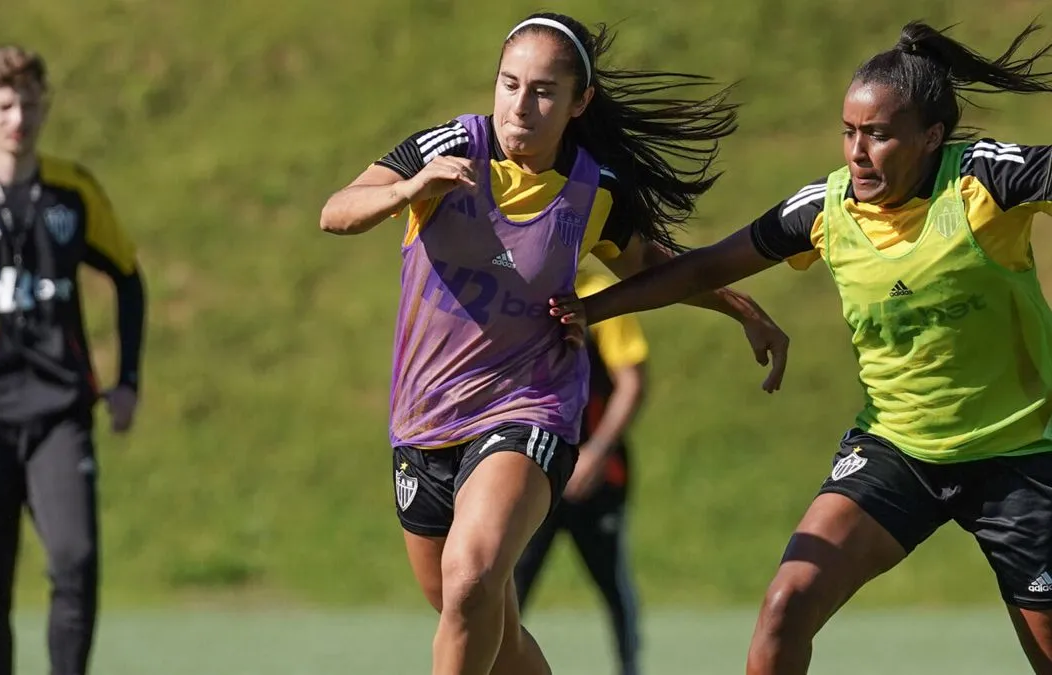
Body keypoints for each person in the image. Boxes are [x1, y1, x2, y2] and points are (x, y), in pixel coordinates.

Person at [549, 18, 1052, 675]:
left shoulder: (984, 180)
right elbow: (702, 268)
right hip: (898, 452)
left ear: (931, 137)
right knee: (785, 606)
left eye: (878, 134)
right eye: (849, 132)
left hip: (1020, 457)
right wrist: (592, 308)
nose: (858, 152)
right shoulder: (824, 208)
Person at [319, 11, 789, 675]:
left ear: (579, 102)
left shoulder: (593, 190)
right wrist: (406, 189)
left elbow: (653, 266)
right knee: (492, 631)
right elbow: (335, 211)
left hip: (528, 408)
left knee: (473, 577)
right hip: (422, 423)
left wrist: (741, 308)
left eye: (543, 91)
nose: (521, 105)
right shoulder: (447, 147)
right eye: (510, 84)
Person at [0, 46, 146, 675]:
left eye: (30, 103)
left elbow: (128, 277)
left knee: (75, 564)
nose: (19, 116)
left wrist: (127, 381)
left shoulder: (71, 193)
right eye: (5, 104)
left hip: (58, 412)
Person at [514, 267, 649, 675]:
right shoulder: (520, 290)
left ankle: (629, 667)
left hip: (596, 480)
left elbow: (632, 382)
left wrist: (595, 453)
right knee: (507, 590)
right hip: (531, 473)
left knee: (613, 586)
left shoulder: (600, 294)